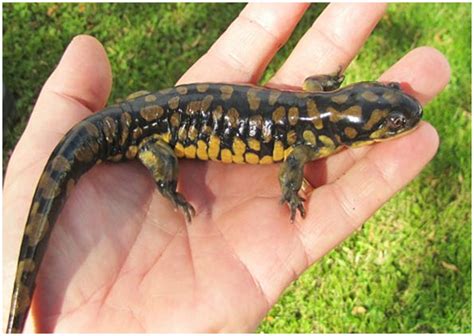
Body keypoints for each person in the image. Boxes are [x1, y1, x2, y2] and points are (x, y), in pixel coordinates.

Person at [3, 3, 449, 332]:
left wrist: (331, 89)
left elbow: (312, 99)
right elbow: (291, 162)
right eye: (391, 118)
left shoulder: (318, 107)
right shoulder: (315, 133)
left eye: (391, 119)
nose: (399, 122)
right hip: (146, 135)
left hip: (148, 119)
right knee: (159, 161)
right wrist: (286, 191)